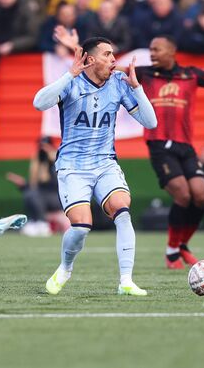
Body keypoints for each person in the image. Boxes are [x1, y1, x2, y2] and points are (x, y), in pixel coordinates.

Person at [52, 29, 204, 269]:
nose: (151, 54)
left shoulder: (191, 74)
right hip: (160, 145)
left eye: (156, 49)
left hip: (185, 145)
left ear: (172, 51)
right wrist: (75, 47)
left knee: (201, 196)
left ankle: (182, 244)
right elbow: (97, 65)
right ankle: (172, 249)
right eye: (149, 49)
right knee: (182, 193)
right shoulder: (144, 74)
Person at [33, 37, 157, 296]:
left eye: (114, 55)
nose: (114, 60)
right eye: (108, 54)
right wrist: (69, 74)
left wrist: (137, 88)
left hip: (104, 164)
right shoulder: (72, 83)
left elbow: (150, 122)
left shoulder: (119, 85)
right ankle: (66, 268)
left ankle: (126, 281)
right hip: (72, 167)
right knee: (80, 226)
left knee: (122, 211)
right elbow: (39, 102)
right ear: (90, 59)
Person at [6, 136, 69, 236]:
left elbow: (59, 184)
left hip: (57, 198)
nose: (43, 150)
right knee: (30, 194)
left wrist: (53, 162)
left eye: (45, 147)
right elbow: (35, 187)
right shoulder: (37, 162)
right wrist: (23, 185)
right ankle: (36, 221)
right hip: (42, 198)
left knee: (34, 195)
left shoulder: (57, 161)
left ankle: (42, 223)